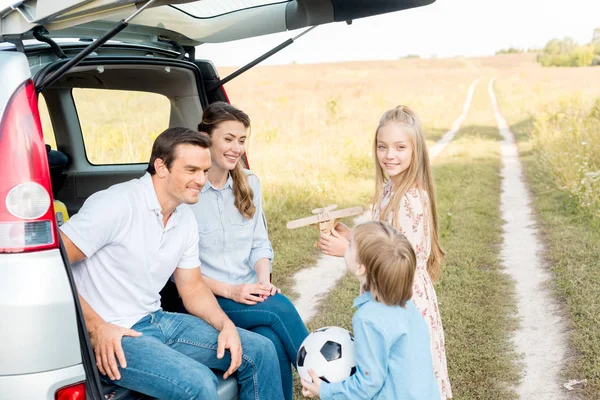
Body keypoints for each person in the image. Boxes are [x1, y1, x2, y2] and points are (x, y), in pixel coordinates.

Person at [60, 127, 283, 400]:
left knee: (260, 350)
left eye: (204, 170)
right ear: (161, 167)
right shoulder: (116, 204)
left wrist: (225, 325)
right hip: (116, 334)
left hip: (158, 320)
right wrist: (96, 328)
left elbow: (192, 288)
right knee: (198, 383)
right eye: (191, 170)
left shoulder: (184, 218)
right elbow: (54, 263)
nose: (201, 180)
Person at [319, 105, 452, 398]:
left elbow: (393, 256)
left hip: (404, 295)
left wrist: (348, 251)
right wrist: (350, 235)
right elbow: (385, 238)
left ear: (415, 150)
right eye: (382, 147)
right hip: (393, 292)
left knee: (405, 373)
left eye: (400, 147)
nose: (389, 155)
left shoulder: (409, 198)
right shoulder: (391, 190)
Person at [189, 102, 309, 400]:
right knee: (278, 308)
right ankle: (335, 383)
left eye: (241, 140)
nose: (236, 148)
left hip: (249, 291)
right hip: (209, 295)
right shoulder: (189, 193)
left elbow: (259, 244)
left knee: (269, 341)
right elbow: (182, 272)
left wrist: (263, 281)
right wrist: (232, 291)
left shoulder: (250, 183)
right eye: (228, 139)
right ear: (206, 138)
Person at [301, 221, 440, 399]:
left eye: (350, 246)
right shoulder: (406, 305)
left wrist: (325, 391)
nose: (347, 247)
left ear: (360, 267)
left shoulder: (367, 318)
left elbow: (368, 384)